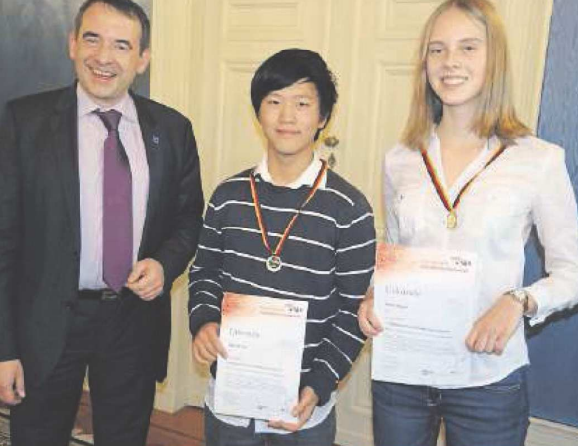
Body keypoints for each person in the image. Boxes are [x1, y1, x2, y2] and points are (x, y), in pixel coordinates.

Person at [358, 0, 578, 445]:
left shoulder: (538, 160)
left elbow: (573, 271)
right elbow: (395, 250)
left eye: (468, 47)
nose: (450, 62)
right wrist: (374, 294)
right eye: (437, 49)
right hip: (403, 374)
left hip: (487, 380)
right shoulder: (400, 159)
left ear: (494, 58)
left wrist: (520, 300)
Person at [0, 0, 204, 444]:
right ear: (72, 44)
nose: (103, 57)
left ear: (142, 58)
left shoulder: (173, 130)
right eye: (92, 39)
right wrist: (4, 349)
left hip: (132, 322)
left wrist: (165, 264)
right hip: (46, 324)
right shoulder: (24, 122)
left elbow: (188, 219)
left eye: (121, 45)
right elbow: (4, 240)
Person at [189, 48, 375, 446]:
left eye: (302, 104)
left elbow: (352, 310)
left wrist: (320, 383)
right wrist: (203, 322)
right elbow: (204, 273)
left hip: (303, 409)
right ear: (258, 112)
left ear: (323, 117)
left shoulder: (350, 209)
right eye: (274, 102)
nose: (287, 117)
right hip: (230, 403)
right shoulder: (228, 196)